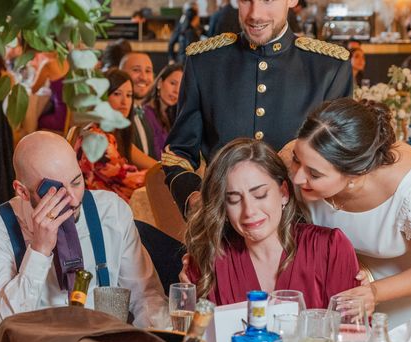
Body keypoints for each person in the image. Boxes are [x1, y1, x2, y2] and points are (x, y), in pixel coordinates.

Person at [285, 98, 411, 342]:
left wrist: (375, 292)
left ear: (355, 175)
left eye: (314, 174)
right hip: (359, 289)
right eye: (296, 160)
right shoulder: (312, 151)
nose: (297, 178)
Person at [162, 0, 353, 216]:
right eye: (246, 0)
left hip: (301, 228)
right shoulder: (204, 63)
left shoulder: (329, 68)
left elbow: (341, 161)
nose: (255, 14)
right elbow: (177, 153)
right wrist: (194, 198)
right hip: (223, 226)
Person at [0, 131, 168, 327]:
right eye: (56, 192)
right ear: (22, 191)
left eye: (76, 181)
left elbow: (146, 297)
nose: (73, 199)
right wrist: (39, 251)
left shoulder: (111, 211)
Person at [183, 137, 359, 306]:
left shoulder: (329, 248)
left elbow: (353, 331)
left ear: (284, 193)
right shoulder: (208, 261)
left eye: (260, 195)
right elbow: (192, 335)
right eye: (234, 199)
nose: (249, 211)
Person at [74, 69, 157, 202]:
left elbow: (153, 165)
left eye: (129, 95)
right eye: (117, 94)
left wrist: (169, 168)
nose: (125, 102)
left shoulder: (114, 136)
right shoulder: (95, 137)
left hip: (111, 208)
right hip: (96, 213)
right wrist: (168, 174)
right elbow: (127, 178)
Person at [142, 64, 184, 161]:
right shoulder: (145, 113)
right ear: (160, 83)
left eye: (181, 87)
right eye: (173, 83)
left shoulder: (171, 115)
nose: (176, 91)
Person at [119, 52, 156, 158]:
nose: (143, 77)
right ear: (121, 73)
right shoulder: (116, 115)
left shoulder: (147, 114)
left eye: (148, 71)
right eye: (136, 70)